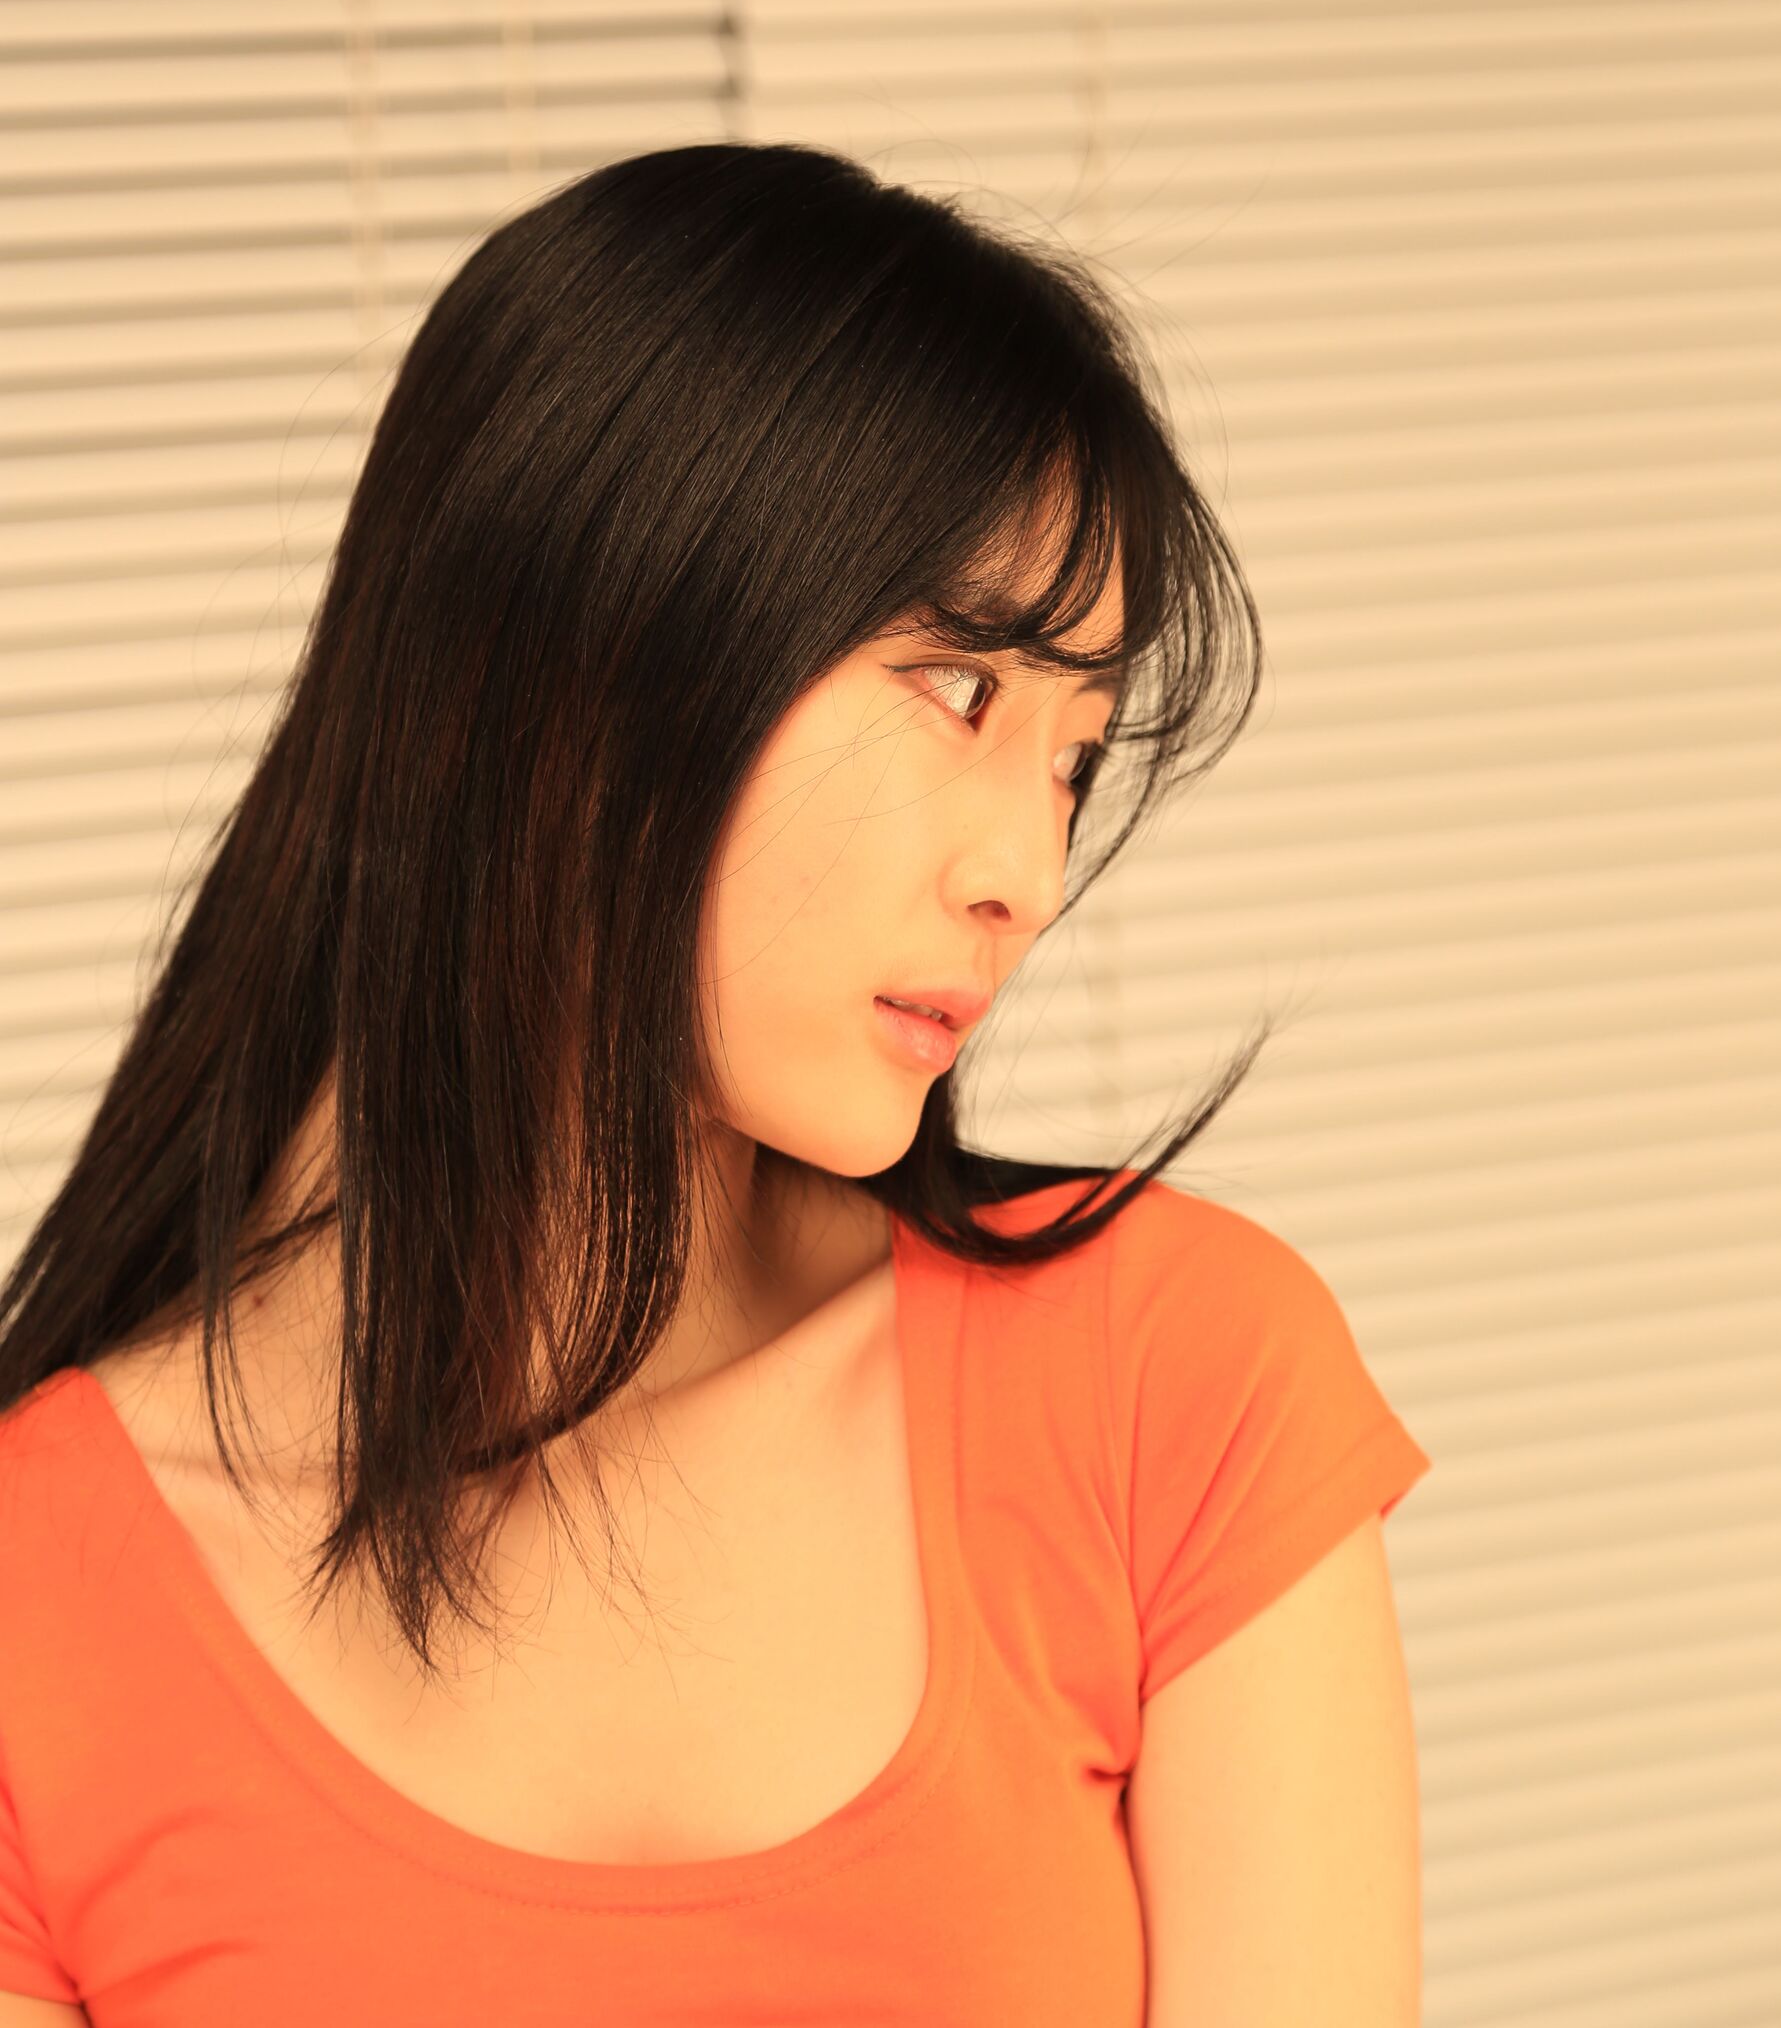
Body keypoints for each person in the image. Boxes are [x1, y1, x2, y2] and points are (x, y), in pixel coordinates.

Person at [0, 143, 1430, 2024]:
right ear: (587, 659)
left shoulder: (1174, 1377)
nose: (1030, 873)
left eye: (1073, 757)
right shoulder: (40, 1602)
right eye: (964, 693)